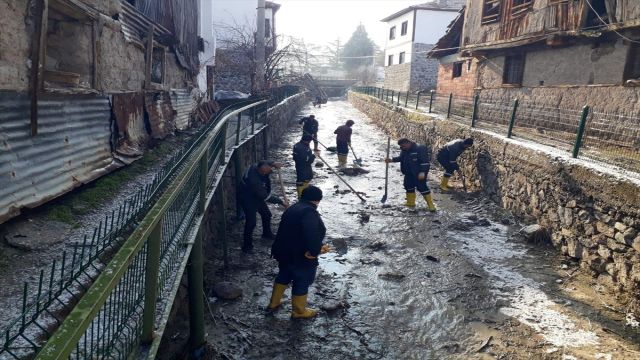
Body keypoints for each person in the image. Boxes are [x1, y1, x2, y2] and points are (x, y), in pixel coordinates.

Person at [267, 186, 329, 318]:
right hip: (299, 254)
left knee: (284, 274)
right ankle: (299, 311)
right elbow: (311, 233)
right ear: (317, 200)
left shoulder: (293, 208)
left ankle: (274, 302)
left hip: (283, 251)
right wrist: (314, 251)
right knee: (302, 279)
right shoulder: (309, 212)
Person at [239, 160, 288, 254]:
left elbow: (265, 162)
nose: (270, 171)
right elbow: (264, 196)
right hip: (247, 198)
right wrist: (281, 202)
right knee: (251, 222)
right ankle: (247, 246)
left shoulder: (256, 165)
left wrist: (273, 164)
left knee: (266, 214)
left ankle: (266, 233)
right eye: (268, 171)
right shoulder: (254, 180)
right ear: (262, 171)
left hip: (256, 196)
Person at [385, 138, 437, 212]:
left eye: (403, 146)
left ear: (408, 143)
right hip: (408, 173)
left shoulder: (419, 148)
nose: (402, 148)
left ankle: (431, 205)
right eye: (401, 147)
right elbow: (401, 158)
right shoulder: (404, 150)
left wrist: (423, 172)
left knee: (422, 188)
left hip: (418, 173)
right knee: (408, 186)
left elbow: (425, 162)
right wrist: (391, 160)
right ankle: (410, 203)